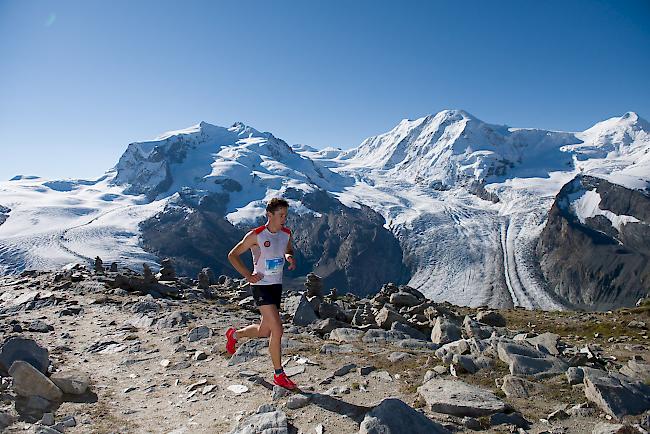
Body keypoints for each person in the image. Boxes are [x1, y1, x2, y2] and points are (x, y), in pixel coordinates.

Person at [225, 198, 298, 390]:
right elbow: (232, 255)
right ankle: (279, 374)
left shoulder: (286, 234)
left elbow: (287, 248)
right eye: (281, 215)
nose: (284, 219)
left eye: (286, 215)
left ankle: (234, 335)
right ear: (269, 215)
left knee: (264, 331)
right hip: (261, 287)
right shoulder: (255, 235)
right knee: (277, 329)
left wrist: (289, 257)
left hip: (276, 286)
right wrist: (248, 275)